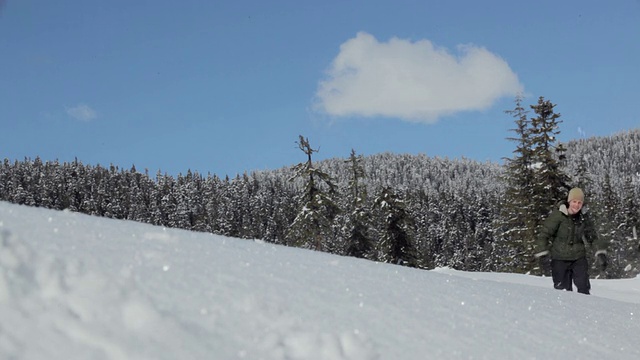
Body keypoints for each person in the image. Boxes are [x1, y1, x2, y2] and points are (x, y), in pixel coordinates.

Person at [534, 187, 608, 295]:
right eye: (574, 201)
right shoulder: (559, 215)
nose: (576, 205)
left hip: (578, 258)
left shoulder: (583, 218)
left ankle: (585, 310)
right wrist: (542, 253)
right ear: (569, 202)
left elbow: (592, 237)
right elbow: (544, 234)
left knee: (583, 288)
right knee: (563, 291)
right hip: (559, 258)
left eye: (579, 202)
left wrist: (600, 252)